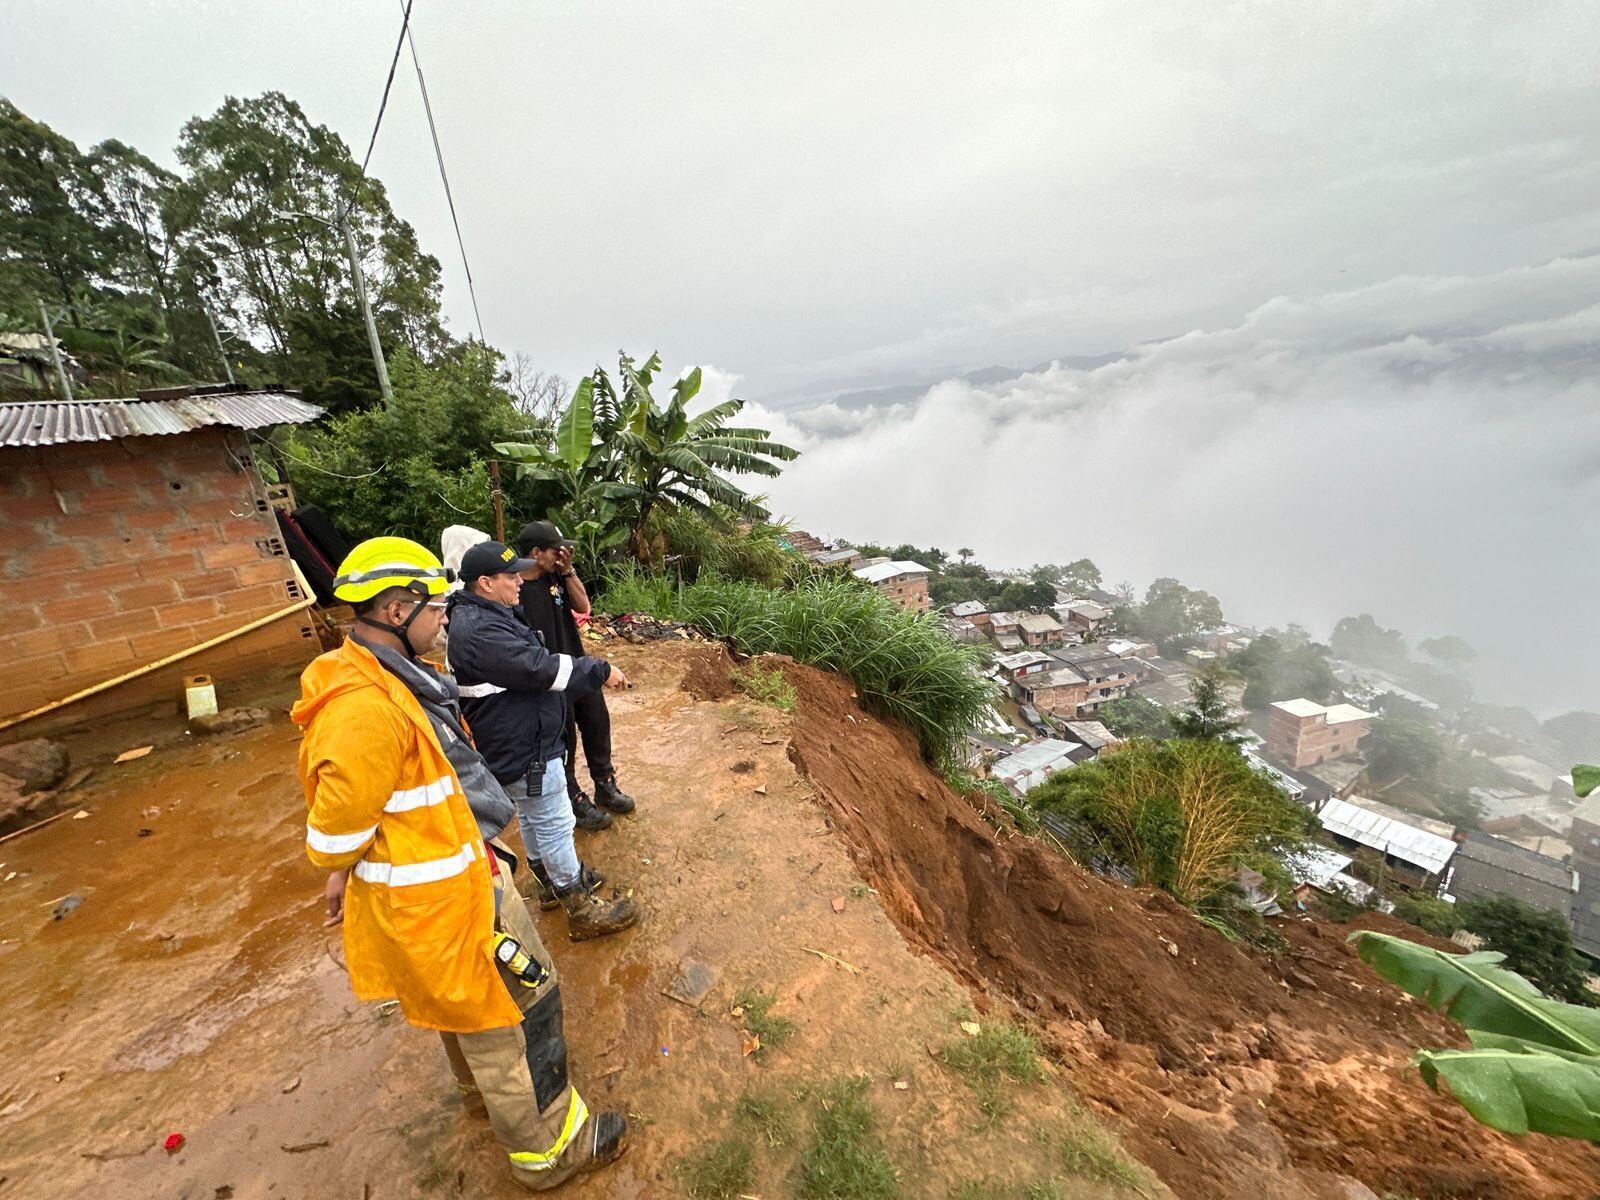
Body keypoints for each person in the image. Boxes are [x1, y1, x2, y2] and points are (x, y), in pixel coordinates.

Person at [294, 536, 627, 1191]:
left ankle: (490, 1099)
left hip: (451, 875)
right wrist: (340, 863)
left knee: (470, 1014)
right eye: (434, 606)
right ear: (395, 610)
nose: (444, 616)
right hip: (447, 895)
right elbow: (335, 829)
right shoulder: (363, 708)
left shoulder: (390, 679)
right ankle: (555, 1150)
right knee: (518, 1012)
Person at [445, 539, 640, 941]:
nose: (520, 580)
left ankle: (552, 884)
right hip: (524, 744)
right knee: (553, 820)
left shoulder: (483, 615)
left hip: (518, 739)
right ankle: (580, 905)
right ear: (485, 582)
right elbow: (539, 668)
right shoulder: (481, 630)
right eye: (510, 575)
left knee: (536, 815)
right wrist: (601, 670)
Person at [516, 520, 637, 831]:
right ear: (535, 553)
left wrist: (568, 572)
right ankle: (572, 796)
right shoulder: (516, 590)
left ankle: (605, 782)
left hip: (578, 667)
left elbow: (584, 605)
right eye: (556, 551)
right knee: (563, 736)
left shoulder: (557, 575)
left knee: (597, 721)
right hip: (551, 676)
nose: (562, 555)